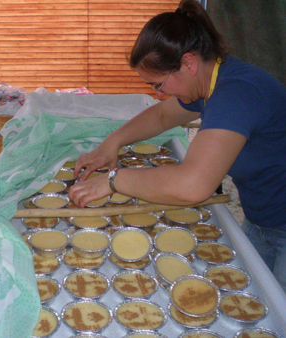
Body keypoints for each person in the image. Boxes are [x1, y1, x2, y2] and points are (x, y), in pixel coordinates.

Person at [68, 0, 286, 292]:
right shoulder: (212, 81)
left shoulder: (237, 93)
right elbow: (161, 115)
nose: (158, 94)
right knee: (255, 293)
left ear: (188, 63)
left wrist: (113, 180)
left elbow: (193, 184)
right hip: (263, 216)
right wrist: (113, 142)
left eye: (158, 84)